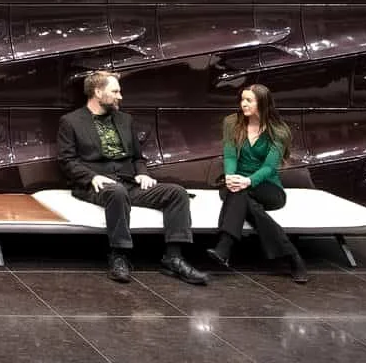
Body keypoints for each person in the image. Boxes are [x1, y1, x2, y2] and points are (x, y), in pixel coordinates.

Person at [57, 70, 208, 285]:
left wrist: (143, 173)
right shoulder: (71, 121)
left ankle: (173, 258)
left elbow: (138, 157)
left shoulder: (125, 119)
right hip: (96, 185)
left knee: (177, 193)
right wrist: (91, 177)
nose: (120, 96)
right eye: (115, 91)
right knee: (116, 192)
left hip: (128, 182)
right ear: (98, 92)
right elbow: (66, 161)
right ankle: (119, 255)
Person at [208, 83, 308, 283]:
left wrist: (248, 180)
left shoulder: (279, 130)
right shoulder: (231, 122)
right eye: (242, 99)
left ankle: (225, 247)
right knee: (241, 195)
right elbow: (229, 155)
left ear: (262, 103)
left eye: (249, 100)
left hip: (267, 187)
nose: (243, 104)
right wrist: (230, 176)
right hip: (235, 184)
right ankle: (292, 255)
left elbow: (270, 167)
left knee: (242, 194)